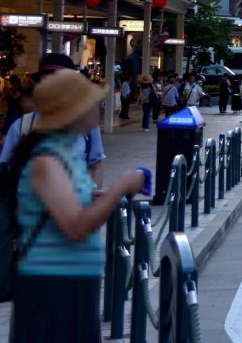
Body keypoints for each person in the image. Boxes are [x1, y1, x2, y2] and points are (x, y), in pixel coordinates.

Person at [9, 69, 146, 343]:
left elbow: (67, 206)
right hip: (53, 285)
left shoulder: (67, 150)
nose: (97, 107)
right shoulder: (47, 159)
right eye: (90, 102)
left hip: (74, 280)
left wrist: (99, 197)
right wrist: (121, 186)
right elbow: (75, 226)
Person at [0, 54, 106, 187]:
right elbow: (5, 171)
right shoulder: (21, 126)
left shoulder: (87, 126)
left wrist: (92, 197)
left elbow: (96, 166)